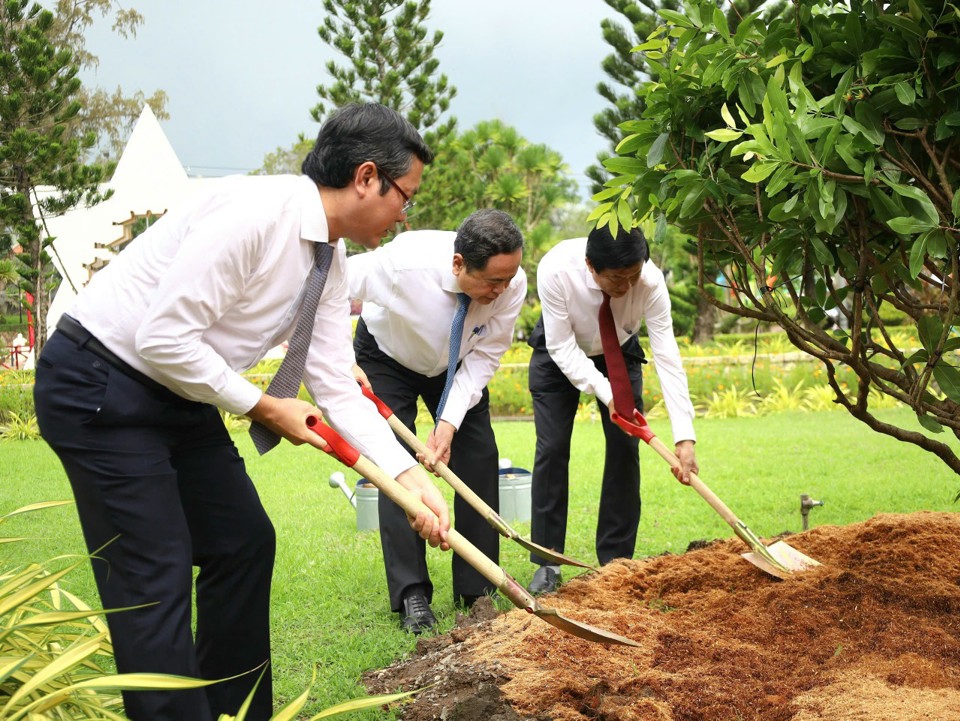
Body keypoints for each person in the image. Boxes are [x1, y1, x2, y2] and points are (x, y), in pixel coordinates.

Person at [32, 103, 451, 721]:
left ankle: (237, 713)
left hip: (178, 391)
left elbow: (334, 383)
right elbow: (162, 339)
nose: (404, 213)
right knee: (155, 573)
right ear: (366, 177)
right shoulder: (257, 214)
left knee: (243, 542)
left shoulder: (328, 259)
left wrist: (412, 480)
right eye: (404, 196)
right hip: (102, 381)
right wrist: (264, 406)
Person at [348, 209, 525, 633]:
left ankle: (478, 590)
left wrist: (447, 421)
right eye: (492, 282)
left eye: (509, 280)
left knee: (479, 455)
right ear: (458, 264)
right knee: (395, 465)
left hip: (458, 363)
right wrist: (338, 357)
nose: (502, 291)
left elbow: (486, 354)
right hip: (387, 357)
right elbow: (329, 286)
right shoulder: (401, 264)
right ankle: (412, 594)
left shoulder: (511, 281)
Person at [525, 224, 698, 595]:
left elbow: (667, 356)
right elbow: (561, 348)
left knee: (624, 450)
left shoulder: (649, 282)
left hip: (620, 352)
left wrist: (684, 436)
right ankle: (547, 560)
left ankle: (617, 562)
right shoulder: (556, 269)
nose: (626, 287)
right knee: (552, 449)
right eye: (617, 279)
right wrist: (610, 396)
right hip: (561, 354)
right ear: (591, 266)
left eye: (633, 276)